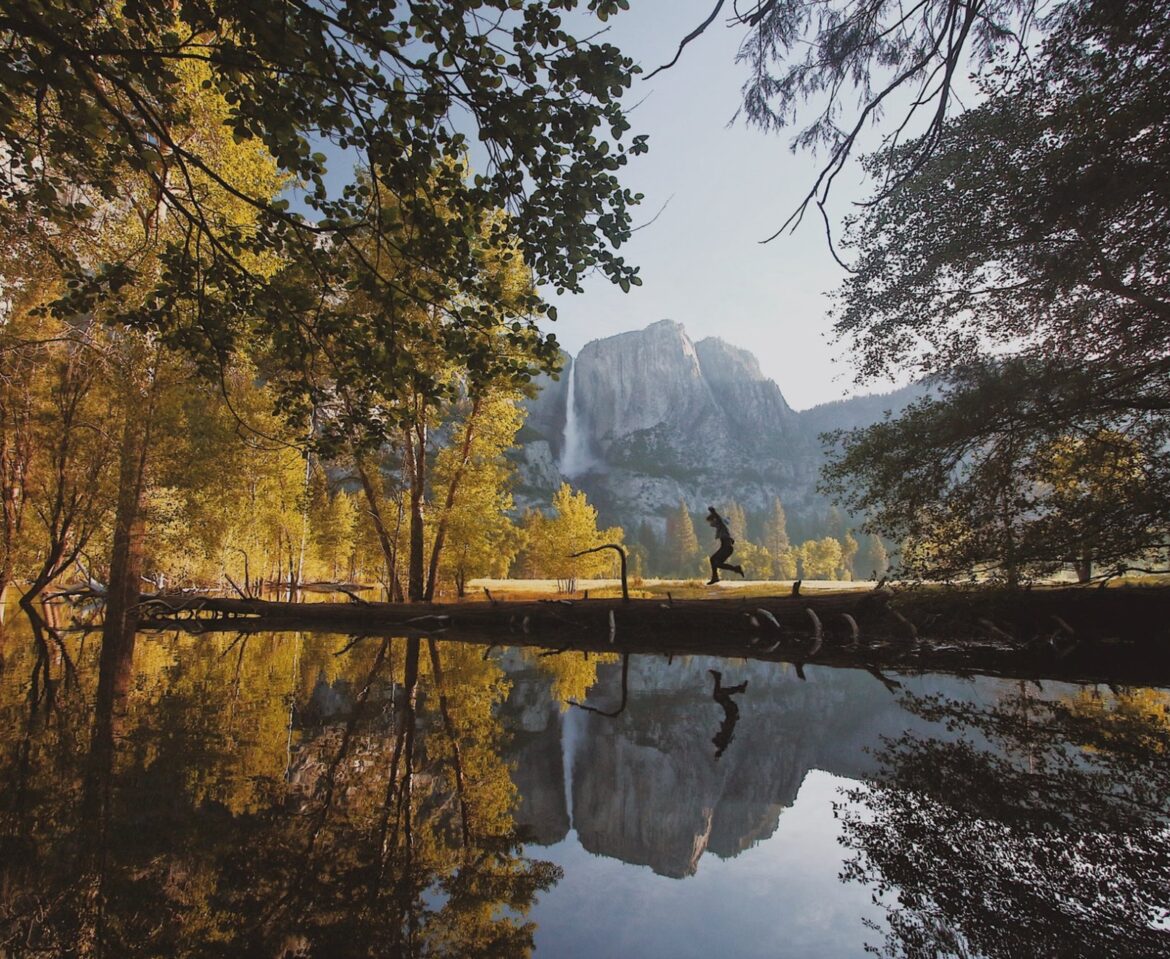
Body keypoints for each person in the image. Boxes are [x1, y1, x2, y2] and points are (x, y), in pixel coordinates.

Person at [705, 506, 744, 584]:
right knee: (715, 561)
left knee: (715, 562)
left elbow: (718, 519)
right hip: (726, 547)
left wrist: (714, 512)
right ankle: (717, 576)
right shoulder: (722, 527)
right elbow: (710, 520)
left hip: (726, 548)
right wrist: (713, 515)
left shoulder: (722, 525)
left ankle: (735, 569)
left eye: (713, 521)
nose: (712, 523)